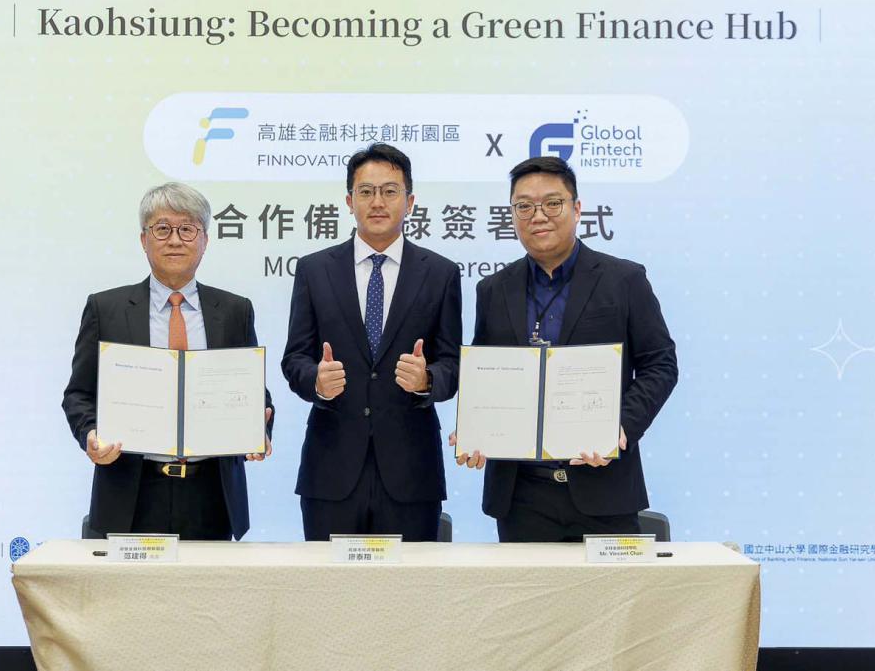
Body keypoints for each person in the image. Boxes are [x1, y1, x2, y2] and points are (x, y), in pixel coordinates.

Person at [452, 157, 677, 542]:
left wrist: (621, 426)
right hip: (521, 497)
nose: (538, 215)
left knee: (611, 586)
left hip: (604, 488)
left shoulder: (624, 280)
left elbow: (660, 364)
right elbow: (488, 374)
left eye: (552, 203)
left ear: (576, 208)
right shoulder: (493, 289)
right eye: (524, 206)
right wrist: (477, 430)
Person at [62, 182, 273, 541]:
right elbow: (78, 394)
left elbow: (254, 393)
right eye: (162, 229)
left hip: (211, 496)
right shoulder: (106, 309)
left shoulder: (234, 310)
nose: (175, 240)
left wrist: (259, 429)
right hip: (131, 492)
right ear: (144, 239)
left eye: (187, 229)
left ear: (205, 240)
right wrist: (90, 435)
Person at [282, 143, 461, 541]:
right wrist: (316, 381)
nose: (377, 202)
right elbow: (294, 358)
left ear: (409, 201)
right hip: (331, 471)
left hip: (412, 473)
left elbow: (453, 364)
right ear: (349, 201)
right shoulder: (314, 270)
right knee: (327, 581)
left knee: (409, 581)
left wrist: (428, 380)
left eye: (390, 191)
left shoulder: (441, 274)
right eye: (366, 191)